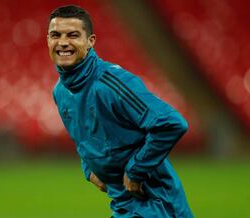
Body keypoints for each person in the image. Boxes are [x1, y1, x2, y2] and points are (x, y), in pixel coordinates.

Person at [47, 5, 193, 218]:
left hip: (156, 204)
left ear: (90, 41)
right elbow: (83, 138)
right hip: (123, 204)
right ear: (48, 40)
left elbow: (171, 123)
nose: (63, 43)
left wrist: (136, 170)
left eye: (73, 35)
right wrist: (89, 170)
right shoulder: (61, 92)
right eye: (55, 35)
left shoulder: (111, 83)